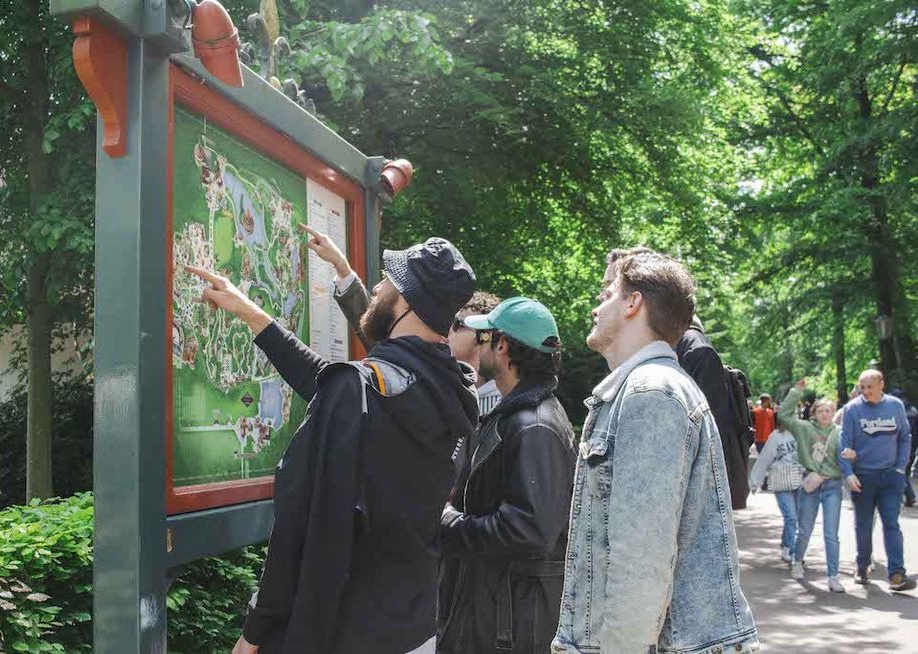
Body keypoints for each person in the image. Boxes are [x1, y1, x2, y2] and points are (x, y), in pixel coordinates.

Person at [188, 236, 480, 654]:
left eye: (387, 282)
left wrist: (256, 630)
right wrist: (252, 314)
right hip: (413, 628)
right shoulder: (452, 388)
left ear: (408, 304)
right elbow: (334, 382)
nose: (376, 288)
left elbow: (299, 525)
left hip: (342, 630)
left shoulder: (361, 390)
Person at [553, 251, 757, 654]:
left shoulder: (651, 393)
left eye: (608, 292)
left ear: (633, 303)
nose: (596, 306)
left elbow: (639, 566)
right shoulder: (646, 387)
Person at [437, 297, 577, 653]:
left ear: (502, 346)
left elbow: (528, 528)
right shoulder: (515, 416)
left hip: (511, 627)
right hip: (497, 612)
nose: (475, 345)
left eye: (483, 338)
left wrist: (452, 525)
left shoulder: (535, 426)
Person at [299, 223, 504, 417]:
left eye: (458, 324)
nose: (447, 329)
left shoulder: (495, 406)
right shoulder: (432, 376)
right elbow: (386, 333)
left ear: (484, 339)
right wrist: (343, 269)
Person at [601, 248, 751, 510]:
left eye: (610, 286)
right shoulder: (631, 353)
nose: (602, 295)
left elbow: (703, 452)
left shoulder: (695, 351)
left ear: (637, 296)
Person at [839, 369, 916, 591]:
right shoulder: (853, 410)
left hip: (890, 477)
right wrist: (848, 473)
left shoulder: (895, 406)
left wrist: (901, 467)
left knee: (892, 524)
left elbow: (904, 437)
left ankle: (897, 575)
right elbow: (844, 444)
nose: (865, 392)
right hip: (862, 477)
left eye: (869, 387)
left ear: (881, 384)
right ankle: (862, 566)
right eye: (862, 387)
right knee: (863, 525)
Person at [776, 381, 844, 592]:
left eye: (829, 410)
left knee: (831, 533)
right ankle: (797, 561)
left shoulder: (840, 432)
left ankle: (833, 576)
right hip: (811, 485)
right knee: (805, 529)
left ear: (834, 413)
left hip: (833, 484)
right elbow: (784, 415)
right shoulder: (804, 428)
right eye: (821, 410)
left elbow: (853, 449)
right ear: (814, 413)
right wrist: (796, 392)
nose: (825, 413)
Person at [748, 428, 802, 564]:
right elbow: (765, 458)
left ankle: (785, 545)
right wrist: (755, 481)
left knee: (796, 517)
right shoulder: (776, 436)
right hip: (781, 481)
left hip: (798, 480)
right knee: (791, 516)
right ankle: (791, 550)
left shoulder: (802, 431)